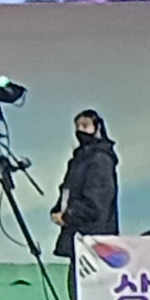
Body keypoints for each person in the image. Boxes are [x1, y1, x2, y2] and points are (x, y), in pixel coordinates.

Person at [51, 109, 121, 257]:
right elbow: (68, 191)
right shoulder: (78, 160)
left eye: (85, 125)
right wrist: (58, 210)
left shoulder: (100, 159)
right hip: (78, 235)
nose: (80, 130)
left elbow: (97, 201)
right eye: (77, 126)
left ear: (97, 127)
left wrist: (68, 216)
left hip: (94, 238)